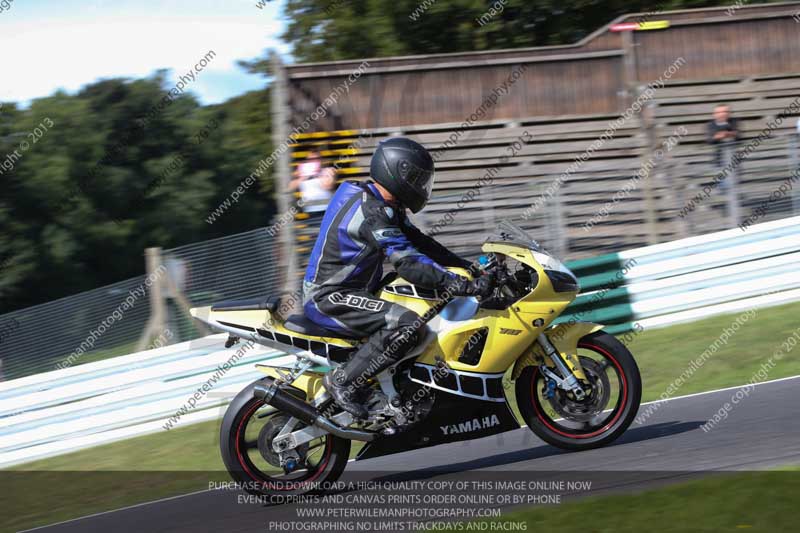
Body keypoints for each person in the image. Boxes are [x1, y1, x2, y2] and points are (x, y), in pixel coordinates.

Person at [301, 137, 493, 418]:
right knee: (407, 326)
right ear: (397, 173)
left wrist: (468, 266)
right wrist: (461, 284)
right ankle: (344, 383)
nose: (420, 185)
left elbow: (421, 243)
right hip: (330, 297)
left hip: (354, 290)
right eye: (416, 177)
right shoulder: (373, 213)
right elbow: (409, 264)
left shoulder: (379, 203)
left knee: (420, 308)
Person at [289, 150, 336, 222]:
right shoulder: (304, 172)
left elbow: (328, 186)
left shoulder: (327, 171)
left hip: (325, 208)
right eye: (311, 159)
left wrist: (317, 174)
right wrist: (303, 177)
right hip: (311, 209)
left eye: (316, 159)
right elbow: (291, 187)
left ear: (320, 160)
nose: (314, 161)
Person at [707, 104, 740, 171]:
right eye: (719, 112)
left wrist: (727, 134)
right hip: (718, 158)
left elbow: (739, 135)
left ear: (729, 113)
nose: (722, 114)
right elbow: (709, 140)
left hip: (734, 157)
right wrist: (718, 136)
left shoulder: (734, 121)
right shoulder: (711, 124)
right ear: (714, 114)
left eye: (724, 112)